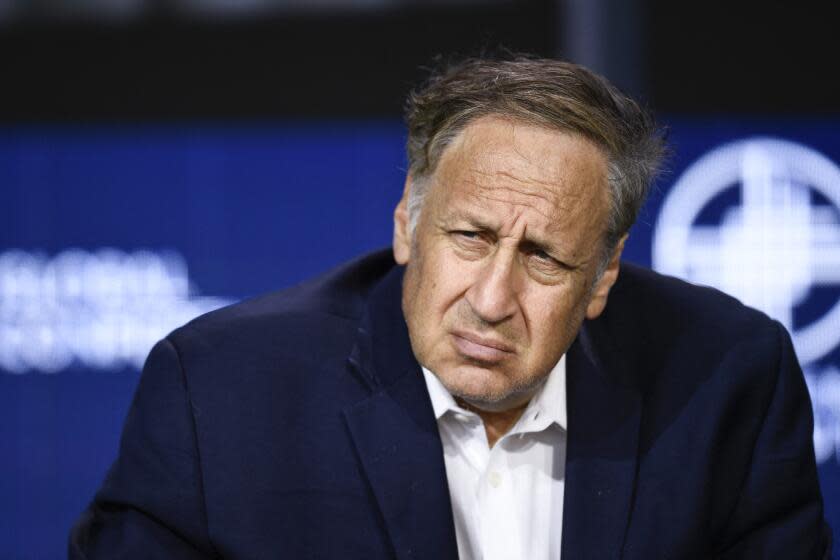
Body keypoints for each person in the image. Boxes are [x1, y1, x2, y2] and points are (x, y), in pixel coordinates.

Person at [69, 55, 831, 559]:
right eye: (470, 236)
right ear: (407, 221)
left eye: (545, 258)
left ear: (603, 275)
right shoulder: (223, 391)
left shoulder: (728, 382)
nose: (493, 300)